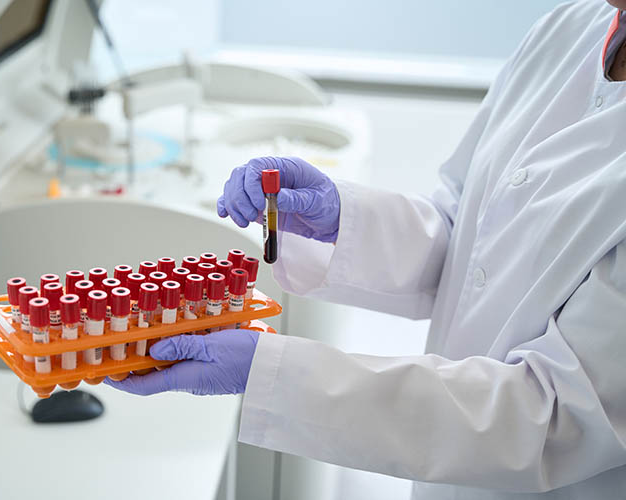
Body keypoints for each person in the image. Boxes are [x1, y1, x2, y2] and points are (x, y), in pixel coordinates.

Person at [105, 1, 626, 497]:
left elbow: (552, 418)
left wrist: (275, 373)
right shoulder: (568, 30)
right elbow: (466, 230)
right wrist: (340, 217)